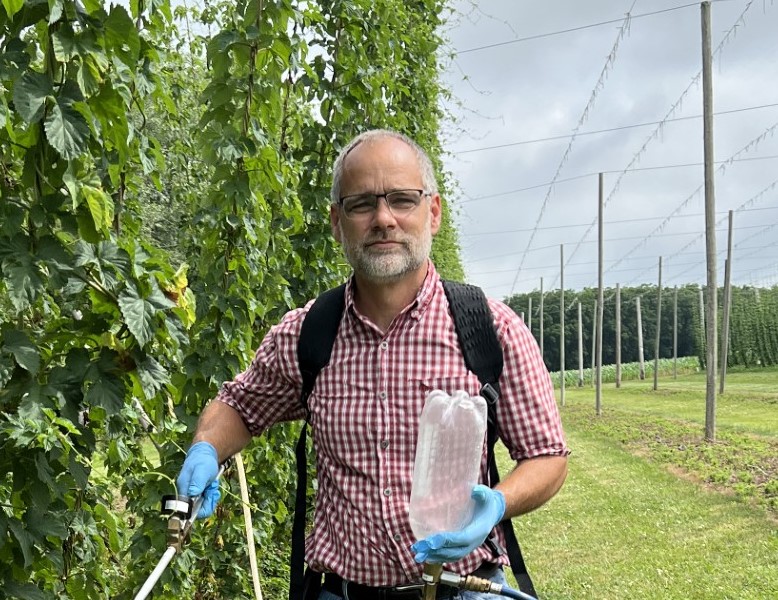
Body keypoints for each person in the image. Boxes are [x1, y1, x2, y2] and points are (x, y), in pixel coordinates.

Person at [176, 129, 569, 599]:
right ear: (336, 222)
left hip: (462, 588)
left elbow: (547, 456)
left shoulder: (488, 329)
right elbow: (240, 407)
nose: (383, 219)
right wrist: (205, 448)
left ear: (433, 212)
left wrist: (498, 504)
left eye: (402, 199)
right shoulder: (308, 334)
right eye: (362, 204)